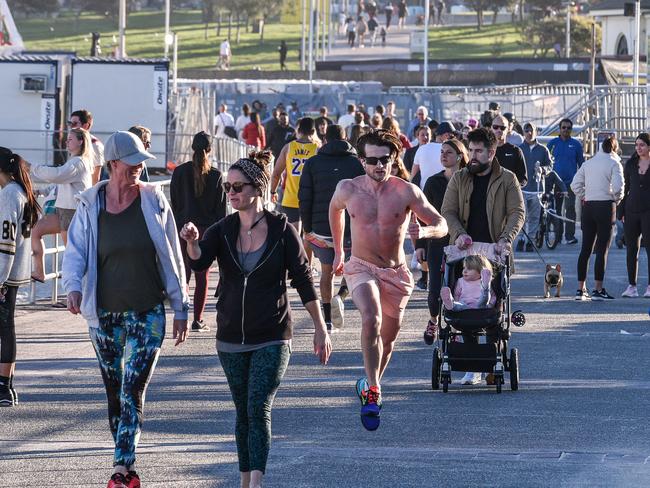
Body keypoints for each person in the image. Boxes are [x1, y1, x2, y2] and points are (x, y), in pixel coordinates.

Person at [181, 151, 331, 488]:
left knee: (258, 406)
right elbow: (200, 262)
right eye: (227, 187)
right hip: (231, 336)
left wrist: (321, 327)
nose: (231, 193)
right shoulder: (223, 228)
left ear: (257, 188)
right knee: (242, 413)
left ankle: (256, 482)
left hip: (273, 334)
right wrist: (191, 243)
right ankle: (243, 478)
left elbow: (304, 280)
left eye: (238, 186)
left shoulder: (282, 230)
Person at [62, 131, 190, 488]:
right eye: (132, 163)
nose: (138, 169)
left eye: (140, 163)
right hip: (103, 316)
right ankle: (127, 467)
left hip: (148, 313)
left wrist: (181, 307)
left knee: (133, 388)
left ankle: (121, 468)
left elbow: (171, 258)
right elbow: (75, 253)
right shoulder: (90, 204)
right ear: (114, 164)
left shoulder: (154, 201)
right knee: (115, 390)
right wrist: (72, 287)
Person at [329, 129, 448, 430]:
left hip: (396, 274)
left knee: (389, 339)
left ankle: (369, 384)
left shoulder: (406, 191)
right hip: (361, 267)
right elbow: (334, 210)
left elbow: (441, 224)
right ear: (361, 161)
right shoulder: (348, 189)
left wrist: (426, 232)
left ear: (394, 159)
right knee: (372, 317)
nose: (379, 166)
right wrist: (339, 252)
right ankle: (374, 391)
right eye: (372, 160)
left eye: (386, 160)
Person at [440, 127, 525, 385]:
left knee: (490, 307)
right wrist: (459, 234)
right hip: (465, 253)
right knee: (464, 304)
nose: (473, 156)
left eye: (479, 151)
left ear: (492, 151)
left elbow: (516, 213)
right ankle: (470, 362)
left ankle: (490, 358)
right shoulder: (460, 178)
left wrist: (505, 239)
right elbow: (448, 210)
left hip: (494, 253)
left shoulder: (507, 179)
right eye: (471, 150)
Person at [299, 124, 365, 331]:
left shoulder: (313, 163)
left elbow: (305, 197)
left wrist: (307, 227)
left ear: (324, 139)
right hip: (351, 227)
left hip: (321, 227)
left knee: (326, 271)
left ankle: (327, 318)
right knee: (351, 267)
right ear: (345, 139)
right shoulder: (356, 163)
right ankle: (341, 296)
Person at [171, 131, 227, 332]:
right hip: (206, 231)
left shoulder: (179, 172)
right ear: (210, 150)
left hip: (183, 229)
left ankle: (181, 316)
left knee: (183, 275)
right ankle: (198, 320)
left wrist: (178, 228)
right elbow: (221, 211)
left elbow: (175, 204)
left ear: (192, 147)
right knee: (202, 277)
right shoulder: (216, 175)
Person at [0, 147, 40, 407]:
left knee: (5, 328)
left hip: (6, 272)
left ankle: (3, 387)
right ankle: (7, 385)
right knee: (7, 327)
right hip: (16, 271)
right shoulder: (20, 191)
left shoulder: (9, 194)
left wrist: (0, 279)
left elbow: (6, 241)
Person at [419, 138, 468, 345]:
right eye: (442, 152)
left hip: (461, 241)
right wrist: (420, 245)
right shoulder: (433, 182)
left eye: (448, 152)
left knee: (459, 287)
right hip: (436, 241)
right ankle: (433, 320)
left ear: (459, 156)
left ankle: (456, 328)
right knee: (435, 290)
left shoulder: (468, 181)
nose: (443, 155)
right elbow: (422, 216)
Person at [29, 128, 94, 283]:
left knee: (73, 255)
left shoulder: (79, 162)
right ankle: (39, 272)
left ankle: (78, 291)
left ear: (81, 141)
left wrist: (31, 167)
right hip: (63, 210)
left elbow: (57, 175)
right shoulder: (74, 161)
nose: (66, 141)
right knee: (36, 230)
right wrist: (42, 191)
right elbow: (61, 183)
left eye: (70, 139)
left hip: (72, 212)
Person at [571, 136, 624, 301]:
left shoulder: (589, 163)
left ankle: (581, 289)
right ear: (615, 148)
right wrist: (616, 199)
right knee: (602, 249)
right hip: (606, 207)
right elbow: (618, 187)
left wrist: (585, 195)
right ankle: (598, 289)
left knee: (585, 249)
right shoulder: (614, 163)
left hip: (589, 206)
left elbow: (574, 185)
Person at [271, 117, 320, 231]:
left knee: (294, 237)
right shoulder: (317, 149)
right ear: (313, 132)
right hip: (310, 199)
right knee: (309, 236)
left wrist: (273, 191)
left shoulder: (288, 147)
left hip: (290, 198)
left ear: (298, 130)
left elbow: (276, 173)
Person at [620, 133, 650, 297]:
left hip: (648, 211)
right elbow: (625, 189)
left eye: (642, 145)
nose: (638, 148)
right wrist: (621, 211)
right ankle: (632, 286)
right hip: (631, 210)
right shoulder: (630, 164)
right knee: (632, 249)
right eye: (637, 145)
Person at [547, 118, 585, 245]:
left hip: (571, 182)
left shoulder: (576, 144)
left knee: (570, 208)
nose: (566, 130)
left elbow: (581, 164)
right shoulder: (552, 143)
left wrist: (582, 180)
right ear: (560, 128)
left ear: (571, 129)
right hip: (555, 182)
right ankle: (557, 236)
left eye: (569, 128)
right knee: (556, 209)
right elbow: (546, 162)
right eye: (564, 127)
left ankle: (569, 236)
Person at [517, 121, 553, 252]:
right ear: (523, 132)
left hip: (537, 189)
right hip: (522, 189)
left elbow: (550, 166)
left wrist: (542, 170)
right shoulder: (519, 149)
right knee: (522, 216)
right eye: (526, 130)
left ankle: (530, 241)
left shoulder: (543, 150)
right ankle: (521, 238)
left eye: (531, 130)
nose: (529, 133)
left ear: (535, 132)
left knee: (534, 217)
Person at [411, 121, 455, 189]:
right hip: (446, 191)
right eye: (452, 136)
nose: (454, 139)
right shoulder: (451, 150)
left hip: (424, 192)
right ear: (446, 135)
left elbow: (413, 175)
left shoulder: (421, 149)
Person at [68, 109, 104, 184]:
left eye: (74, 124)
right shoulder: (75, 142)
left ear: (86, 126)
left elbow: (95, 177)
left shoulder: (95, 145)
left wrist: (89, 195)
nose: (71, 127)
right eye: (69, 123)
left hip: (86, 191)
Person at [491, 114, 527, 187]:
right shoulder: (484, 150)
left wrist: (512, 189)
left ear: (508, 129)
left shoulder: (516, 151)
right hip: (488, 196)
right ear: (491, 128)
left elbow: (523, 179)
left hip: (509, 195)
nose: (499, 130)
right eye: (495, 127)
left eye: (502, 128)